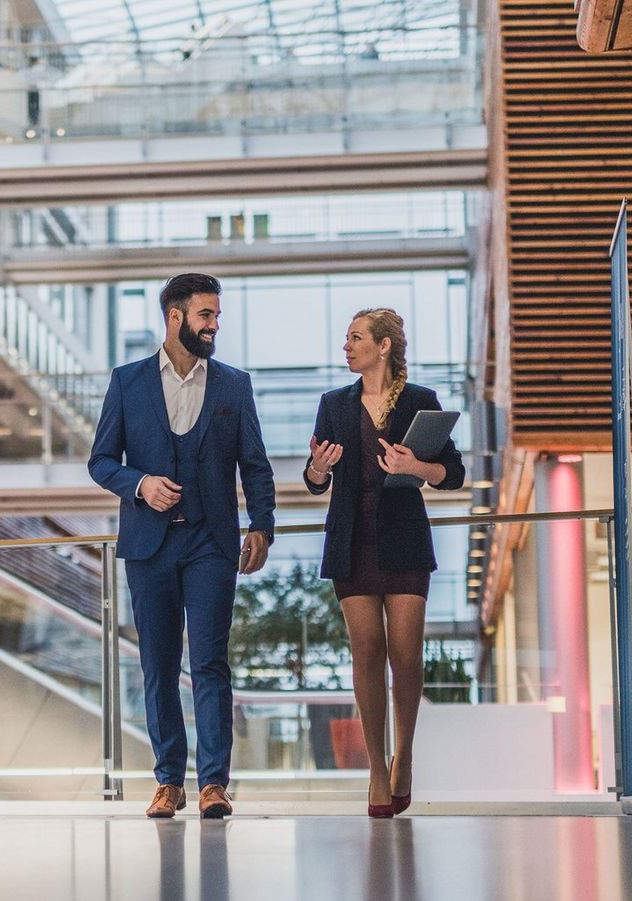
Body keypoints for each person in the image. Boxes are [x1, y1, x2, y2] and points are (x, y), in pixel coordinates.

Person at [88, 273, 275, 819]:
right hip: (149, 546)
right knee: (158, 664)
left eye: (216, 316)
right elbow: (101, 461)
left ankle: (214, 783)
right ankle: (169, 780)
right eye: (206, 315)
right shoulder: (128, 382)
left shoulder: (233, 386)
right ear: (176, 318)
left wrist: (261, 524)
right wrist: (140, 484)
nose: (214, 325)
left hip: (213, 543)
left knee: (211, 663)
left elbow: (256, 465)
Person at [303, 308, 464, 818]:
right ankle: (376, 768)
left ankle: (406, 756)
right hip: (351, 538)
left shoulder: (422, 402)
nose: (346, 347)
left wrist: (414, 465)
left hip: (405, 537)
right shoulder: (333, 405)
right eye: (347, 339)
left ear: (384, 346)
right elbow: (315, 481)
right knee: (366, 653)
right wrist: (316, 468)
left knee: (406, 656)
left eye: (355, 338)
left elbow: (453, 474)